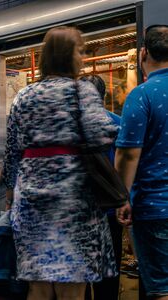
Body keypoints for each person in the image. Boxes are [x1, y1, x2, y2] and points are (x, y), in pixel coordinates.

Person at [2, 26, 118, 300]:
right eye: (80, 50)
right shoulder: (82, 92)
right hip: (73, 199)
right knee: (72, 283)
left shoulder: (24, 96)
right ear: (68, 55)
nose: (82, 56)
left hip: (31, 200)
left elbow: (11, 151)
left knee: (39, 284)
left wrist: (11, 192)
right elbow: (100, 137)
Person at [115, 24, 168, 300]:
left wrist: (121, 198)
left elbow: (128, 154)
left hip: (155, 207)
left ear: (143, 53)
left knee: (161, 289)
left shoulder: (142, 95)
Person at [80, 74, 123, 300]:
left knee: (82, 271)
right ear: (103, 96)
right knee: (110, 268)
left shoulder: (71, 125)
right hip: (110, 208)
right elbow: (123, 163)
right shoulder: (117, 122)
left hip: (80, 210)